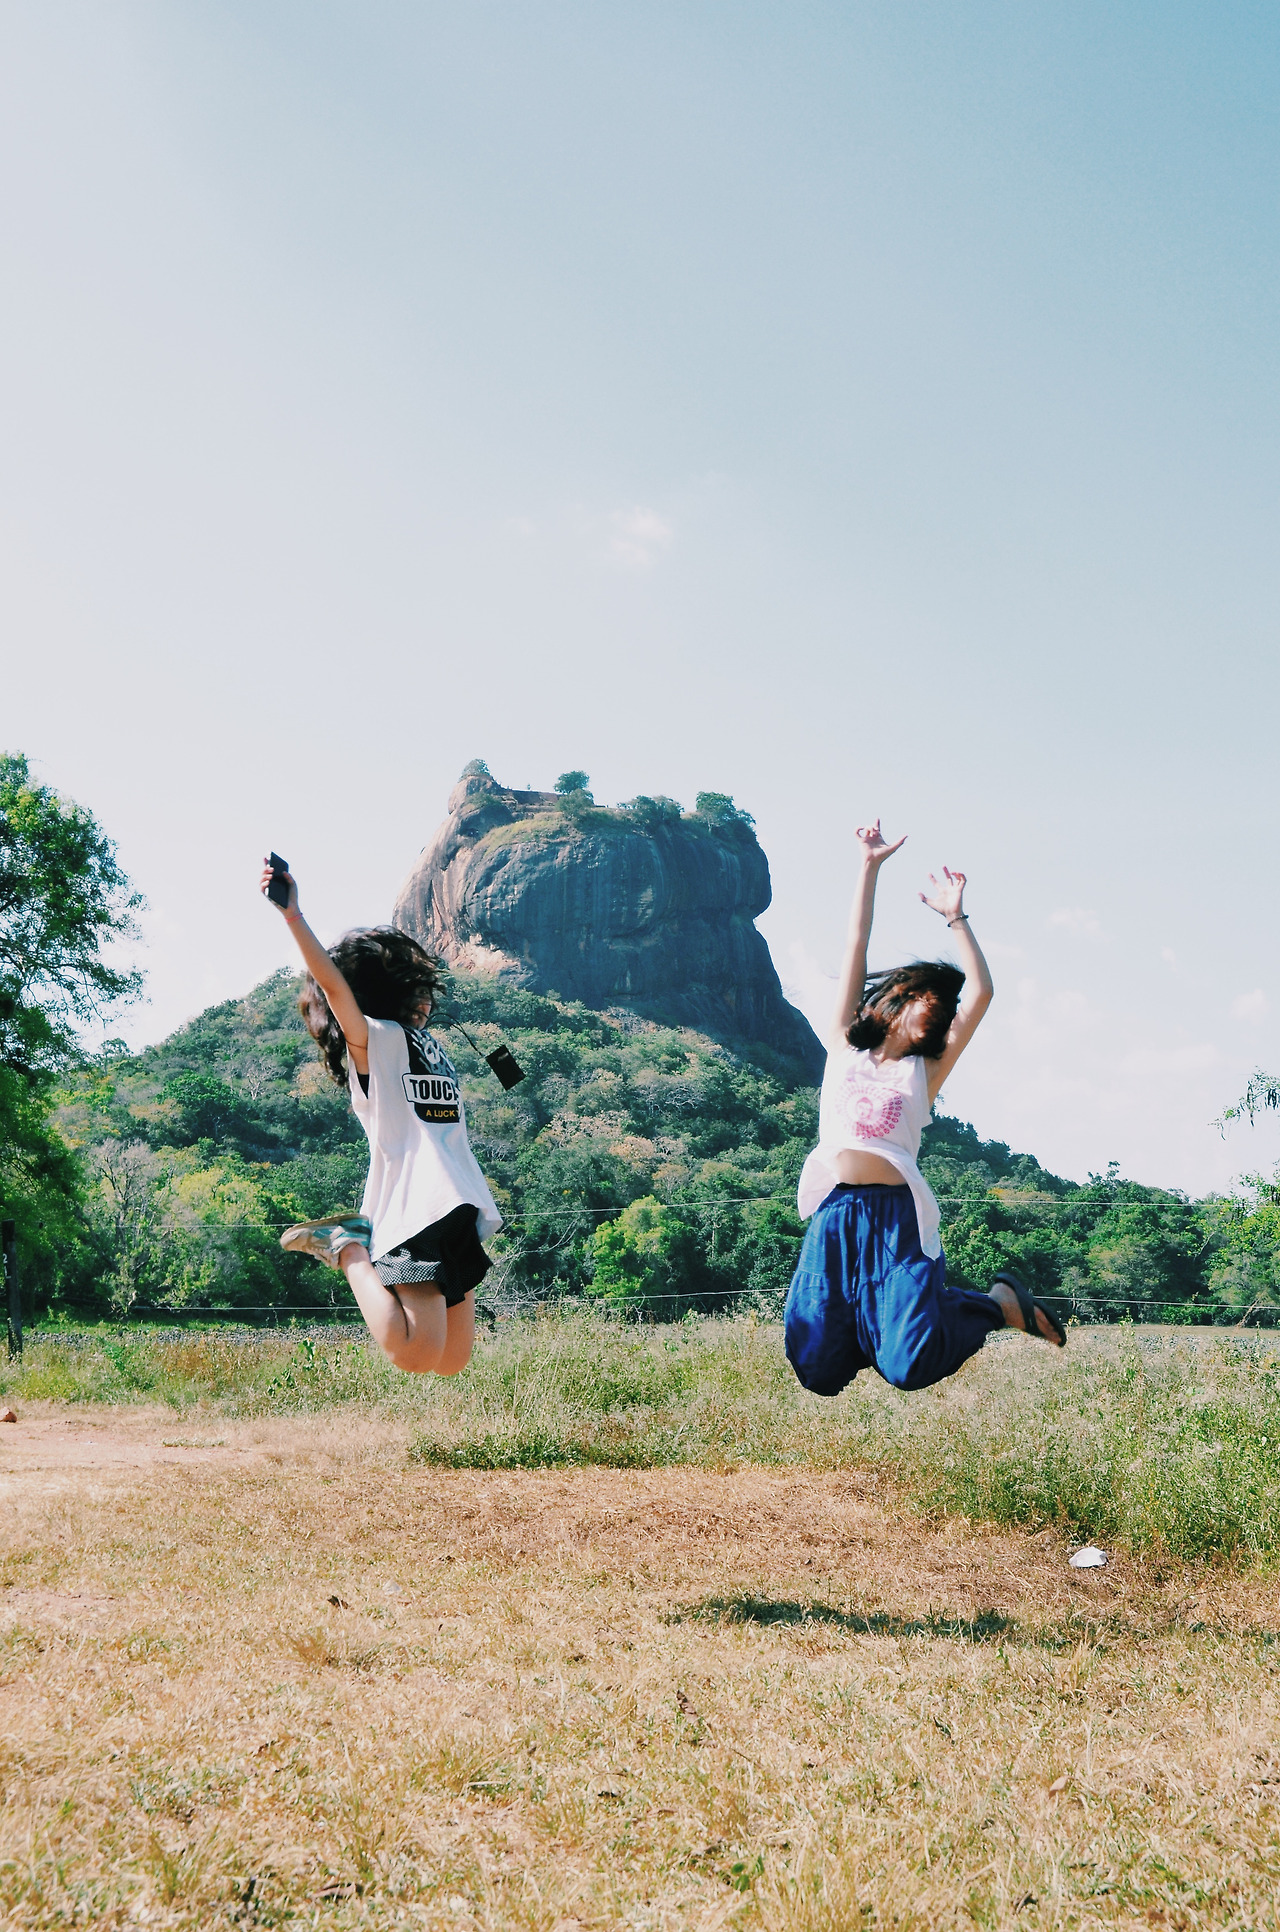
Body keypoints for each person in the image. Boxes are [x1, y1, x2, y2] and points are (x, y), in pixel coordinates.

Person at [785, 820, 1065, 1398]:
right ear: (904, 999)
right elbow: (855, 945)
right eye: (933, 1001)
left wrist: (955, 918)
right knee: (816, 1367)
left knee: (909, 1367)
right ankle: (880, 1327)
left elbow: (983, 993)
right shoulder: (843, 1041)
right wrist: (869, 867)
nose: (939, 1014)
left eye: (944, 1011)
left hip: (897, 1218)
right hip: (837, 1215)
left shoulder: (925, 1071)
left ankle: (995, 1304)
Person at [260, 859, 500, 1375]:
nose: (422, 998)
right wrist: (293, 916)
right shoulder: (374, 1043)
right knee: (413, 1355)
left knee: (451, 1360)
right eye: (411, 989)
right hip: (412, 1208)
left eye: (423, 989)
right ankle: (346, 1246)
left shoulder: (430, 1044)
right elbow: (334, 988)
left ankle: (353, 1246)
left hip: (456, 1201)